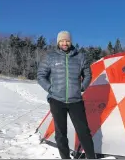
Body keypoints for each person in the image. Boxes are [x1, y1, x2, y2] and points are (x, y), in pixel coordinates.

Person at [37, 31, 95, 159]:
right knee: (60, 133)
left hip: (76, 101)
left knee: (84, 132)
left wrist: (82, 86)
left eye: (67, 41)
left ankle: (91, 157)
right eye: (62, 41)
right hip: (57, 101)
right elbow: (41, 75)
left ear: (71, 42)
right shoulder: (50, 57)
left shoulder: (80, 57)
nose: (65, 43)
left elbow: (88, 74)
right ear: (58, 42)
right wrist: (50, 88)